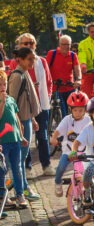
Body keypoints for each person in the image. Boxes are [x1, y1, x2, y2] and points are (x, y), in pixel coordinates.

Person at [15, 33, 56, 178]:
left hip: (41, 104)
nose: (28, 46)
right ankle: (27, 168)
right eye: (25, 43)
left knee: (43, 135)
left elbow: (49, 81)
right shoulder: (17, 63)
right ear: (19, 45)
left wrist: (48, 96)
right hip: (24, 106)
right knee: (26, 136)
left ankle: (46, 165)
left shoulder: (42, 61)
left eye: (31, 43)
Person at [8, 47, 41, 200]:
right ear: (20, 60)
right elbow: (12, 103)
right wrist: (19, 125)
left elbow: (26, 99)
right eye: (29, 59)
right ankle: (22, 190)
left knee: (22, 157)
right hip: (20, 122)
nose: (32, 62)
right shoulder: (17, 76)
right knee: (19, 159)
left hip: (27, 119)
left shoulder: (25, 73)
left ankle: (21, 188)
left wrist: (33, 119)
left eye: (33, 59)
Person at [50, 91, 91, 197]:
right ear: (70, 109)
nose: (78, 112)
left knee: (93, 170)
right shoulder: (67, 120)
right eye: (75, 110)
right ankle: (58, 182)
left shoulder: (89, 120)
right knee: (61, 167)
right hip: (69, 151)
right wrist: (54, 138)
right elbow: (58, 131)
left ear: (85, 109)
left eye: (81, 110)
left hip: (85, 151)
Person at [0, 70, 29, 207]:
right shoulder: (3, 100)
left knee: (17, 168)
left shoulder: (11, 99)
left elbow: (16, 119)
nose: (3, 87)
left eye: (4, 84)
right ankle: (2, 196)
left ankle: (20, 194)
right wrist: (2, 102)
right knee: (2, 169)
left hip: (14, 140)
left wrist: (21, 135)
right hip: (2, 142)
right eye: (0, 84)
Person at [46, 34, 82, 118]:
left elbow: (77, 69)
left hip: (70, 87)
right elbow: (46, 69)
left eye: (68, 44)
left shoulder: (73, 55)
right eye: (64, 44)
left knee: (75, 110)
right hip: (56, 88)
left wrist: (79, 79)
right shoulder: (52, 54)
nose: (66, 47)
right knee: (63, 112)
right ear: (59, 44)